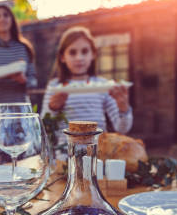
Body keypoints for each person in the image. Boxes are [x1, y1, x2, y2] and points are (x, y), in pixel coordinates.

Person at [41, 26, 133, 158]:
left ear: (93, 54)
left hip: (99, 154)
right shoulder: (55, 86)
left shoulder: (103, 85)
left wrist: (123, 107)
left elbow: (122, 128)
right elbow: (45, 128)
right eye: (72, 52)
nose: (79, 58)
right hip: (66, 155)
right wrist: (53, 108)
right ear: (62, 57)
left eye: (84, 51)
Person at [0, 4, 38, 113]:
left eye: (6, 15)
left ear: (12, 19)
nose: (2, 19)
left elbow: (33, 82)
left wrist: (24, 81)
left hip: (21, 109)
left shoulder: (24, 48)